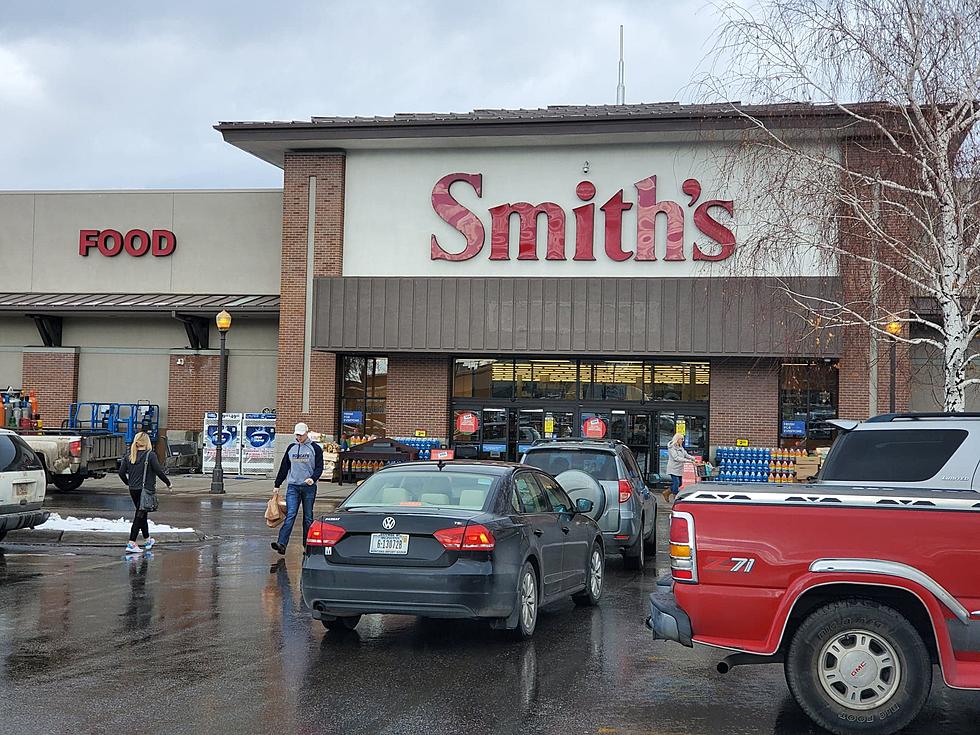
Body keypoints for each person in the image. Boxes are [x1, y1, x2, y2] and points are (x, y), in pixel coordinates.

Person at [271, 423, 324, 555]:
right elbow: (284, 467)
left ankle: (307, 546)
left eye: (301, 434)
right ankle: (281, 543)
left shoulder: (315, 448)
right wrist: (277, 485)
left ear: (306, 433)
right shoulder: (292, 448)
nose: (299, 437)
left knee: (308, 517)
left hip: (309, 487)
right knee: (291, 514)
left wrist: (313, 478)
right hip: (293, 486)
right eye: (297, 435)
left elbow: (319, 467)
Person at [118, 431, 171, 553]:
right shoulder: (150, 455)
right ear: (147, 442)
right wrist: (168, 483)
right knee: (139, 515)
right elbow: (158, 471)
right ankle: (131, 542)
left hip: (133, 489)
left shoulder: (129, 456)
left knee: (142, 514)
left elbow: (121, 473)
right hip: (145, 489)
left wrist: (128, 482)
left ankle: (147, 539)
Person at [663, 432, 697, 503]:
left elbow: (686, 454)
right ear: (677, 439)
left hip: (679, 468)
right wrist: (688, 461)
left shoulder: (680, 447)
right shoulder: (672, 447)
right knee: (676, 483)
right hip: (673, 468)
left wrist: (693, 458)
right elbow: (676, 458)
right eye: (681, 439)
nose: (682, 440)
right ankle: (676, 497)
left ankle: (667, 492)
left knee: (680, 483)